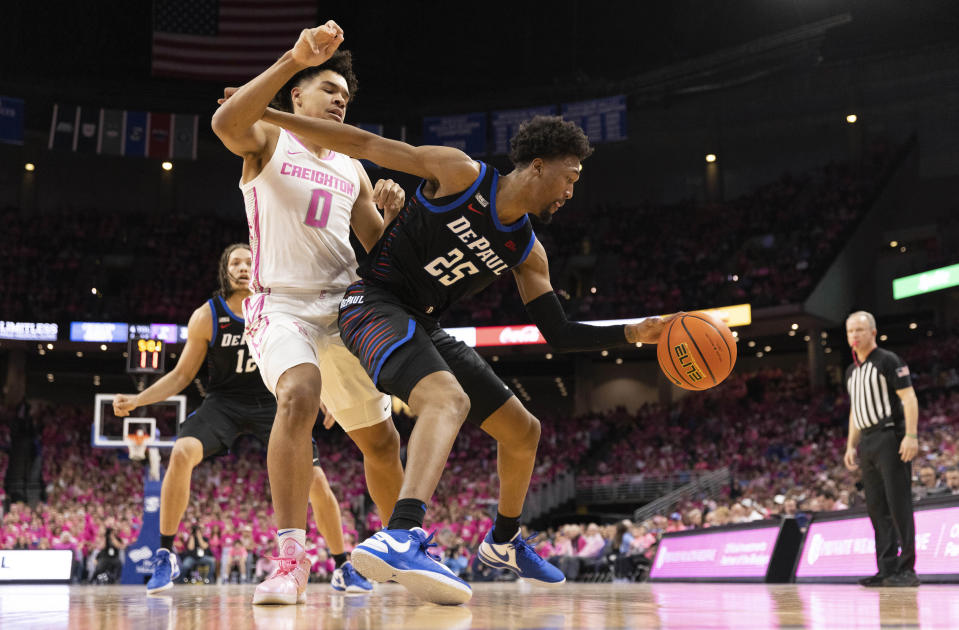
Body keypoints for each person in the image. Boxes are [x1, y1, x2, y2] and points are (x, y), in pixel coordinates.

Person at [257, 50, 674, 602]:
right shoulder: (460, 172)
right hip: (370, 302)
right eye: (569, 177)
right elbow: (365, 146)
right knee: (445, 400)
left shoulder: (529, 252)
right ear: (540, 164)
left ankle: (504, 539)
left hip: (420, 322)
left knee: (524, 430)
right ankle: (401, 533)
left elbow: (558, 331)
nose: (572, 192)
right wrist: (274, 115)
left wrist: (632, 332)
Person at [210, 22, 408, 605]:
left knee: (382, 442)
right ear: (297, 96)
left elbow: (377, 251)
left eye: (344, 97)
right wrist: (293, 57)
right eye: (327, 89)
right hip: (283, 305)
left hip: (345, 309)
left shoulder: (353, 166)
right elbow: (224, 123)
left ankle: (410, 547)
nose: (339, 100)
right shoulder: (270, 139)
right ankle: (291, 559)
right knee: (299, 392)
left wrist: (391, 218)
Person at [113, 244, 373, 596]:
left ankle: (342, 566)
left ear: (261, 266)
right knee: (181, 452)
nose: (241, 267)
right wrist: (139, 400)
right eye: (234, 262)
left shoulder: (279, 307)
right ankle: (165, 554)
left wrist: (325, 397)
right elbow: (181, 375)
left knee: (315, 480)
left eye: (249, 261)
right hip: (223, 402)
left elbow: (312, 354)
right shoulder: (207, 316)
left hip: (274, 400)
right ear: (225, 270)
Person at [843, 311, 920, 588]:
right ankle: (886, 569)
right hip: (867, 442)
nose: (854, 336)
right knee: (876, 507)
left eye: (860, 330)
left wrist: (911, 435)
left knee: (899, 503)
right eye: (851, 331)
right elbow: (855, 411)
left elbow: (909, 398)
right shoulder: (851, 371)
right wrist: (851, 444)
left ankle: (907, 569)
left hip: (890, 436)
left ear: (873, 332)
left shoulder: (888, 360)